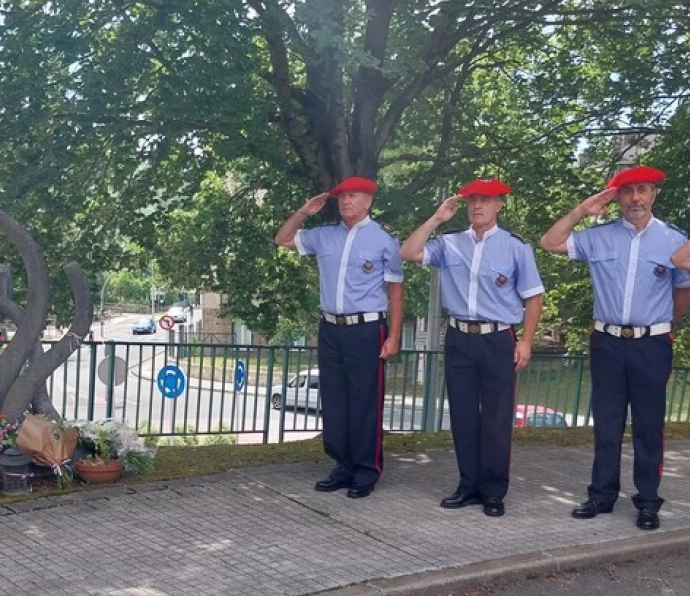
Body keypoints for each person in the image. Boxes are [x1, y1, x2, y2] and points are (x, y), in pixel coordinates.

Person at [540, 165, 690, 531]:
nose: (635, 198)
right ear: (617, 198)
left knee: (649, 425)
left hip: (651, 344)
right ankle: (601, 496)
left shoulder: (674, 241)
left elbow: (684, 288)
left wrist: (665, 324)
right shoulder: (598, 237)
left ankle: (648, 501)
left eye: (642, 190)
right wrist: (579, 211)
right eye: (627, 192)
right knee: (606, 424)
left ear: (654, 194)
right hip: (607, 342)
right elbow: (550, 243)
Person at [401, 179, 544, 518]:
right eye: (472, 201)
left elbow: (533, 296)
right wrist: (437, 218)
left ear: (499, 206)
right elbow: (407, 252)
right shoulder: (449, 244)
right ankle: (468, 486)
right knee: (464, 415)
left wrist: (525, 340)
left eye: (485, 200)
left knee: (496, 419)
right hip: (460, 337)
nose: (477, 206)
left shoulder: (515, 247)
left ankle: (493, 491)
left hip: (498, 338)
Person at [274, 176, 404, 498]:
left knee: (364, 401)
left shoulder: (384, 239)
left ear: (368, 201)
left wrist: (395, 335)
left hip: (367, 329)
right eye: (342, 197)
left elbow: (396, 290)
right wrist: (305, 211)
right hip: (331, 328)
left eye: (353, 196)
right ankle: (342, 465)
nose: (346, 201)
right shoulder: (324, 236)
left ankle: (365, 470)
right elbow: (282, 238)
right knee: (333, 399)